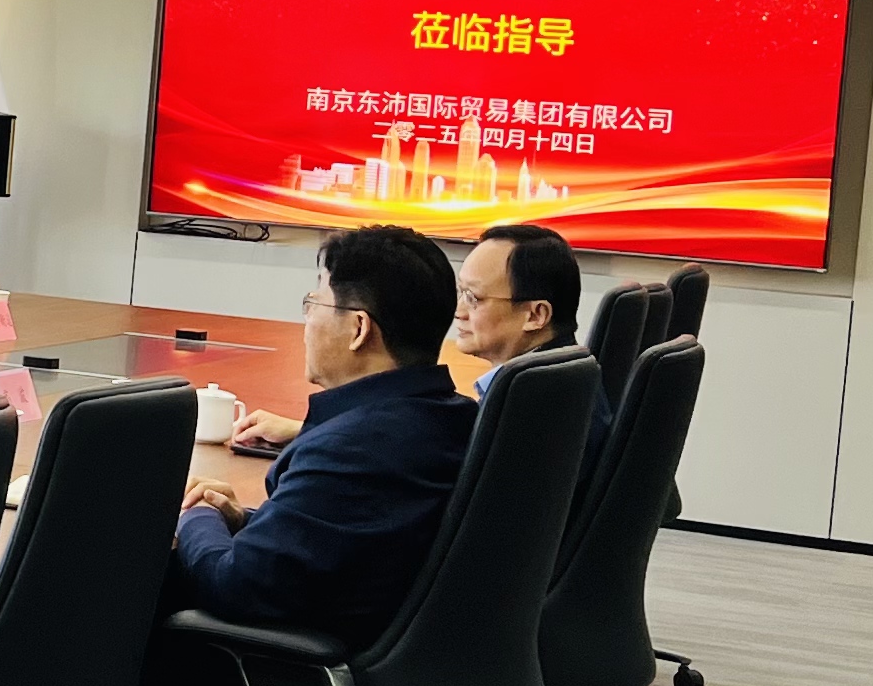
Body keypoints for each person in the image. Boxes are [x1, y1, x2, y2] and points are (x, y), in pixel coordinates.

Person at [163, 225, 477, 642]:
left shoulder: (354, 448)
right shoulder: (455, 417)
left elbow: (235, 585)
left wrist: (196, 515)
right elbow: (346, 536)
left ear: (358, 329)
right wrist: (243, 521)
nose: (307, 319)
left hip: (283, 657)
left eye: (313, 303)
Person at [232, 220, 592, 455]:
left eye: (474, 298)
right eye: (460, 293)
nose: (458, 311)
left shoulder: (529, 409)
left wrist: (332, 442)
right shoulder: (556, 381)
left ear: (535, 315)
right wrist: (308, 432)